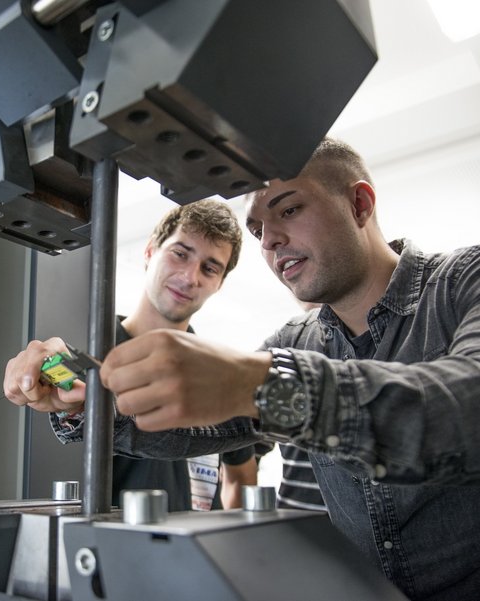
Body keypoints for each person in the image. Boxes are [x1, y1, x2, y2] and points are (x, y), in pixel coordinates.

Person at [89, 138, 480, 601]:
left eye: (288, 210)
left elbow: (462, 411)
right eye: (257, 230)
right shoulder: (295, 341)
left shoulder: (463, 283)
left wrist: (260, 384)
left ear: (359, 204)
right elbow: (199, 428)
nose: (269, 240)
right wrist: (85, 399)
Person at [3, 199, 257, 511]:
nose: (191, 277)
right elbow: (68, 380)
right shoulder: (93, 355)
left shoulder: (218, 373)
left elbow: (240, 477)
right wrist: (44, 367)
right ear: (150, 251)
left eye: (209, 268)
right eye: (180, 254)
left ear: (218, 284)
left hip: (196, 554)